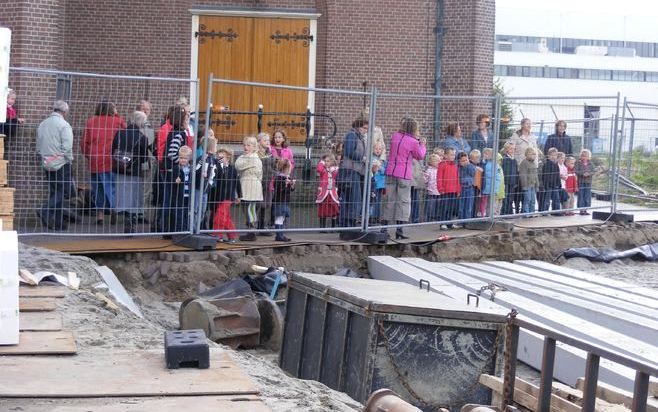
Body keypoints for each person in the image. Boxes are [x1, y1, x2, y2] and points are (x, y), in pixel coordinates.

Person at [81, 101, 127, 225]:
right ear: (112, 110)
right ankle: (113, 209)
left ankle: (100, 216)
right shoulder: (117, 121)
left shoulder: (90, 122)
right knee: (111, 187)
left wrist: (88, 155)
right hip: (109, 160)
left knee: (98, 189)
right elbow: (125, 134)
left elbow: (84, 142)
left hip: (94, 160)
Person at [382, 117, 426, 239]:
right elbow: (420, 155)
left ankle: (384, 229)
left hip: (391, 171)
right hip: (404, 174)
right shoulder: (413, 142)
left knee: (389, 200)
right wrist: (422, 144)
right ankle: (399, 231)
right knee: (403, 201)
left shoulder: (395, 136)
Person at [36, 100, 74, 231]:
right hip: (61, 162)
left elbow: (39, 145)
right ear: (64, 111)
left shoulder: (43, 124)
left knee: (55, 191)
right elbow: (67, 146)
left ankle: (58, 223)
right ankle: (45, 211)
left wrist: (44, 158)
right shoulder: (64, 125)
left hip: (47, 161)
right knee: (63, 191)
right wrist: (68, 159)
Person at [112, 111, 149, 233]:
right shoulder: (143, 137)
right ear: (141, 122)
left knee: (122, 195)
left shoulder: (119, 133)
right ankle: (131, 219)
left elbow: (113, 150)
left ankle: (122, 214)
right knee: (134, 197)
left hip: (119, 169)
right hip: (134, 171)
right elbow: (144, 158)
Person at [337, 117, 368, 228]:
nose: (366, 130)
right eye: (364, 128)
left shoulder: (358, 137)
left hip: (355, 171)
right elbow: (349, 152)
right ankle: (347, 224)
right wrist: (363, 158)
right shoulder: (352, 135)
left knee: (353, 199)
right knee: (352, 198)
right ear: (358, 126)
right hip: (349, 171)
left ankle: (350, 223)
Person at [162, 106, 188, 234]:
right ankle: (173, 230)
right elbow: (172, 154)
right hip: (175, 172)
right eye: (186, 119)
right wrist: (182, 162)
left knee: (170, 200)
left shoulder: (173, 132)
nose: (187, 121)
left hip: (170, 170)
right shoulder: (178, 134)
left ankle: (168, 230)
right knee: (175, 201)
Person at [235, 136, 263, 241]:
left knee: (250, 209)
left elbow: (239, 165)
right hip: (245, 185)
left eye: (248, 145)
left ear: (254, 147)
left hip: (252, 187)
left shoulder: (253, 157)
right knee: (245, 208)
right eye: (244, 145)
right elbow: (237, 164)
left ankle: (252, 232)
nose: (245, 147)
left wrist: (241, 160)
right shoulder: (245, 156)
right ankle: (250, 229)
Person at [211, 147, 241, 243]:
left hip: (228, 197)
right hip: (218, 196)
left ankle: (217, 235)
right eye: (218, 157)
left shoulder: (232, 169)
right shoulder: (217, 168)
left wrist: (239, 196)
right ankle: (232, 236)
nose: (219, 159)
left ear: (228, 157)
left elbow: (237, 183)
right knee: (226, 217)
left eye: (221, 157)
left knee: (220, 215)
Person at [137, 100, 156, 224]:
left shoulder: (132, 123)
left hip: (141, 161)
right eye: (143, 109)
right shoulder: (144, 125)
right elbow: (150, 144)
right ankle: (139, 213)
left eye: (147, 109)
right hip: (144, 161)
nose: (145, 111)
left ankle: (138, 212)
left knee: (142, 188)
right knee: (144, 188)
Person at [193, 135, 218, 230]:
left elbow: (218, 165)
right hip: (198, 188)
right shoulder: (202, 158)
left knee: (203, 210)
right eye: (215, 146)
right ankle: (193, 228)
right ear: (210, 148)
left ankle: (197, 227)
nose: (217, 148)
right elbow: (195, 169)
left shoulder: (213, 159)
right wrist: (201, 173)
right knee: (195, 209)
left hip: (206, 190)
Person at [170, 145, 193, 232]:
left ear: (189, 159)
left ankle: (186, 229)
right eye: (181, 157)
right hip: (179, 195)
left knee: (186, 213)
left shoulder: (191, 168)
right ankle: (179, 230)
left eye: (185, 158)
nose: (183, 160)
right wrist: (175, 180)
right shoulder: (176, 168)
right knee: (179, 213)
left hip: (188, 195)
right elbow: (171, 178)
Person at [272, 158, 295, 242]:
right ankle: (279, 235)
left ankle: (281, 235)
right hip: (279, 201)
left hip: (285, 201)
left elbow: (290, 190)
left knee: (282, 218)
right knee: (279, 218)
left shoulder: (287, 178)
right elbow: (279, 190)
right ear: (285, 169)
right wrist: (286, 184)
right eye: (289, 168)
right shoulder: (278, 178)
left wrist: (292, 185)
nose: (290, 170)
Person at [437, 148, 460, 229]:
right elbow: (439, 177)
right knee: (444, 207)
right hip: (445, 190)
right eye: (451, 154)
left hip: (453, 190)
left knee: (451, 207)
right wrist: (440, 188)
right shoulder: (442, 164)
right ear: (446, 155)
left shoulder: (455, 165)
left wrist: (458, 189)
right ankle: (443, 223)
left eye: (454, 154)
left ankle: (450, 223)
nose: (453, 156)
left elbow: (457, 178)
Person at [257, 132, 275, 233]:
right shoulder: (256, 154)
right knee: (258, 204)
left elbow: (273, 166)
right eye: (265, 140)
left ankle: (262, 226)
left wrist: (274, 173)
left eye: (268, 140)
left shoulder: (270, 153)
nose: (268, 142)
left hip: (268, 182)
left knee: (266, 204)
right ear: (259, 142)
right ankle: (257, 225)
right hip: (259, 182)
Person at [316, 153, 340, 230]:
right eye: (325, 161)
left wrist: (334, 167)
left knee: (334, 209)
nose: (326, 163)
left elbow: (337, 174)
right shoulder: (323, 170)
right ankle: (322, 228)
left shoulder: (334, 171)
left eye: (328, 161)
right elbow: (319, 169)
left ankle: (333, 228)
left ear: (332, 162)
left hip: (332, 194)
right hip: (323, 194)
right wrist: (321, 162)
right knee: (323, 210)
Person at [480, 148, 503, 217]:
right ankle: (483, 215)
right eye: (484, 154)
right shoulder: (482, 163)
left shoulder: (496, 165)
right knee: (484, 202)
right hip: (484, 188)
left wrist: (496, 188)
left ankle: (490, 216)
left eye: (487, 154)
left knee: (491, 204)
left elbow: (498, 178)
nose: (485, 155)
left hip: (492, 188)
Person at [370, 140, 387, 224]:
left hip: (380, 184)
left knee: (378, 201)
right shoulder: (371, 159)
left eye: (380, 149)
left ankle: (377, 216)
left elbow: (386, 171)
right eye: (376, 148)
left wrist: (381, 168)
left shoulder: (383, 161)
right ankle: (371, 217)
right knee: (372, 200)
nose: (378, 150)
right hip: (373, 183)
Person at [540, 147, 561, 213]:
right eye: (552, 155)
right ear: (548, 156)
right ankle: (545, 211)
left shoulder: (556, 165)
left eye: (555, 155)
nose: (553, 157)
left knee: (556, 199)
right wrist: (545, 185)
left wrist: (559, 184)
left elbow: (558, 175)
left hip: (555, 185)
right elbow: (545, 176)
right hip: (548, 186)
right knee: (547, 200)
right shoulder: (546, 165)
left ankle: (556, 212)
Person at [518, 147, 539, 214]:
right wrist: (524, 186)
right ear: (526, 154)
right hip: (527, 185)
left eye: (534, 154)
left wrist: (537, 185)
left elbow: (536, 175)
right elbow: (523, 175)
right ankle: (526, 213)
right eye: (531, 154)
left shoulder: (534, 163)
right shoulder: (524, 163)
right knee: (527, 199)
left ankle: (531, 212)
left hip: (533, 185)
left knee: (533, 200)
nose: (533, 156)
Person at [501, 142, 519, 215]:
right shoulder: (504, 159)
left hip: (512, 182)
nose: (512, 150)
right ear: (506, 149)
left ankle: (509, 211)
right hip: (506, 182)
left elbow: (516, 172)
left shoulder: (514, 160)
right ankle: (504, 212)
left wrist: (515, 181)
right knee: (505, 197)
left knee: (510, 197)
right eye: (511, 149)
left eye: (514, 149)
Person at [457, 152, 476, 222]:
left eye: (466, 160)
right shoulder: (458, 168)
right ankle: (461, 221)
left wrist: (468, 165)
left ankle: (468, 221)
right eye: (463, 161)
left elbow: (473, 173)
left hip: (470, 188)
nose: (465, 162)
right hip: (461, 188)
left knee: (468, 206)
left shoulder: (471, 166)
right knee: (461, 207)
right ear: (459, 161)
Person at [575, 149, 594, 215]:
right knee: (581, 195)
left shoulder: (590, 163)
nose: (584, 157)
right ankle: (581, 209)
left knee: (587, 196)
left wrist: (589, 173)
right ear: (580, 156)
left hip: (588, 182)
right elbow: (576, 171)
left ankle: (586, 209)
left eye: (586, 156)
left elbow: (593, 171)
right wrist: (582, 173)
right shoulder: (578, 163)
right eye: (583, 156)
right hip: (581, 182)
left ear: (589, 156)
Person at [423, 153, 441, 222]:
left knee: (438, 205)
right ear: (431, 162)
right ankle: (430, 218)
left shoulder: (440, 170)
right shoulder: (429, 170)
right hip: (431, 191)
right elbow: (425, 179)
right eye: (436, 161)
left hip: (439, 191)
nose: (438, 162)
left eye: (439, 161)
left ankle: (437, 216)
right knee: (431, 206)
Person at [469, 149, 484, 217]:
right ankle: (471, 216)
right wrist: (476, 168)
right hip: (472, 186)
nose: (479, 159)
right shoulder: (470, 165)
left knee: (476, 202)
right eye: (477, 157)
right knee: (471, 202)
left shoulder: (480, 165)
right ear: (472, 158)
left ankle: (474, 215)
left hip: (478, 187)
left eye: (479, 157)